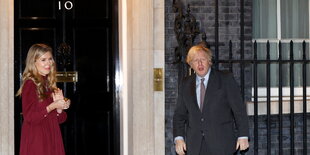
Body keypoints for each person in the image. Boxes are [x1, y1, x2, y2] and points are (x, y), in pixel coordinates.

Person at [173, 45, 249, 155]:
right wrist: (179, 138)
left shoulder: (225, 79)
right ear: (191, 65)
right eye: (195, 60)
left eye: (202, 59)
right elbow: (179, 115)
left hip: (222, 144)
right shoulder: (186, 83)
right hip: (195, 146)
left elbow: (239, 110)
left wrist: (243, 135)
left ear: (209, 61)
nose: (199, 63)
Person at [16, 43, 71, 155]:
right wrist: (52, 106)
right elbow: (29, 117)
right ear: (34, 62)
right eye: (43, 60)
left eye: (50, 59)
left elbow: (60, 119)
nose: (48, 63)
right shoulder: (30, 84)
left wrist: (60, 108)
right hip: (37, 139)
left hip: (52, 135)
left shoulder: (48, 83)